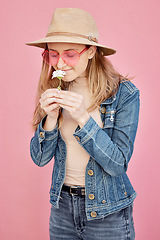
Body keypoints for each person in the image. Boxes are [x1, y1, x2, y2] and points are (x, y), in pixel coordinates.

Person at [26, 8, 140, 240]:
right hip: (62, 208)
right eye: (53, 54)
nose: (60, 64)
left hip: (108, 212)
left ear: (91, 52)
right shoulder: (54, 87)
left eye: (70, 54)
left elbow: (118, 164)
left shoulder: (124, 94)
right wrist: (49, 119)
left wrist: (83, 119)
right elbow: (40, 159)